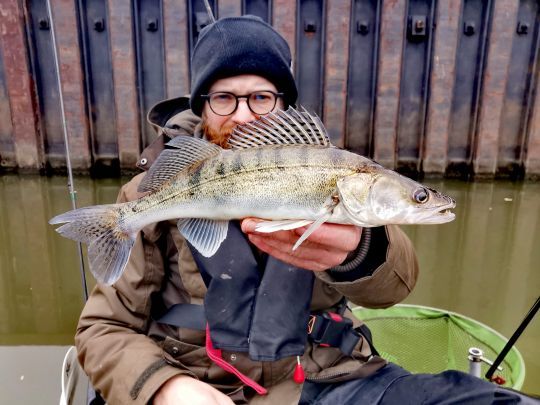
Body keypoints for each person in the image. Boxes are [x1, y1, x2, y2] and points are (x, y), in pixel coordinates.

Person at [75, 16, 538, 405]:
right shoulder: (149, 190)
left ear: (283, 104)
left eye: (261, 97)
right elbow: (101, 330)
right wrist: (164, 388)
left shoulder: (334, 171)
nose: (242, 116)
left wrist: (362, 250)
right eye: (223, 98)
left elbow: (394, 286)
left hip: (324, 379)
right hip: (195, 381)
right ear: (201, 105)